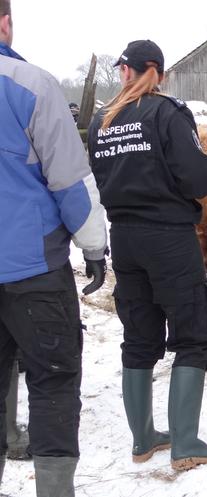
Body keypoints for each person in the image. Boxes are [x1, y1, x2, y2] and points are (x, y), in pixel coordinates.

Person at [87, 39, 207, 471]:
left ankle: (144, 438)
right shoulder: (167, 113)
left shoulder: (101, 121)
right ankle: (185, 441)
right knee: (191, 332)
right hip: (168, 236)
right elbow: (198, 178)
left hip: (125, 238)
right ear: (158, 73)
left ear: (125, 71)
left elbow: (100, 174)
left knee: (139, 336)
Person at [0, 0, 109, 495]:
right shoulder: (31, 85)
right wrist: (93, 248)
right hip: (32, 271)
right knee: (53, 380)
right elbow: (70, 181)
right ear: (5, 23)